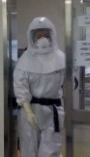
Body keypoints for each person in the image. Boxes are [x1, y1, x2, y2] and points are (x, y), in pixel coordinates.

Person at [14, 17, 65, 157]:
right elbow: (20, 85)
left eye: (46, 35)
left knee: (51, 148)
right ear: (32, 37)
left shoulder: (61, 59)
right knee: (29, 147)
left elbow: (70, 83)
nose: (43, 39)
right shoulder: (25, 60)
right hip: (30, 110)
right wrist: (27, 109)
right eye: (39, 35)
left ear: (52, 36)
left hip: (53, 110)